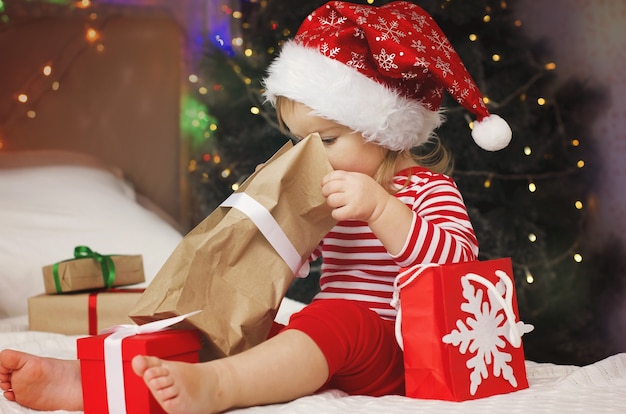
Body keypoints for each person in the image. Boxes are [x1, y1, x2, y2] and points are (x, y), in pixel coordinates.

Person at [0, 2, 511, 413]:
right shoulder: (330, 189)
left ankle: (218, 388)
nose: (309, 154)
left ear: (385, 132)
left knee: (340, 319)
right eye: (299, 141)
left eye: (327, 139)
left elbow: (457, 270)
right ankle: (92, 385)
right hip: (336, 337)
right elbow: (291, 271)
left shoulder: (425, 191)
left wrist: (382, 210)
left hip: (399, 350)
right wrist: (283, 241)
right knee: (241, 328)